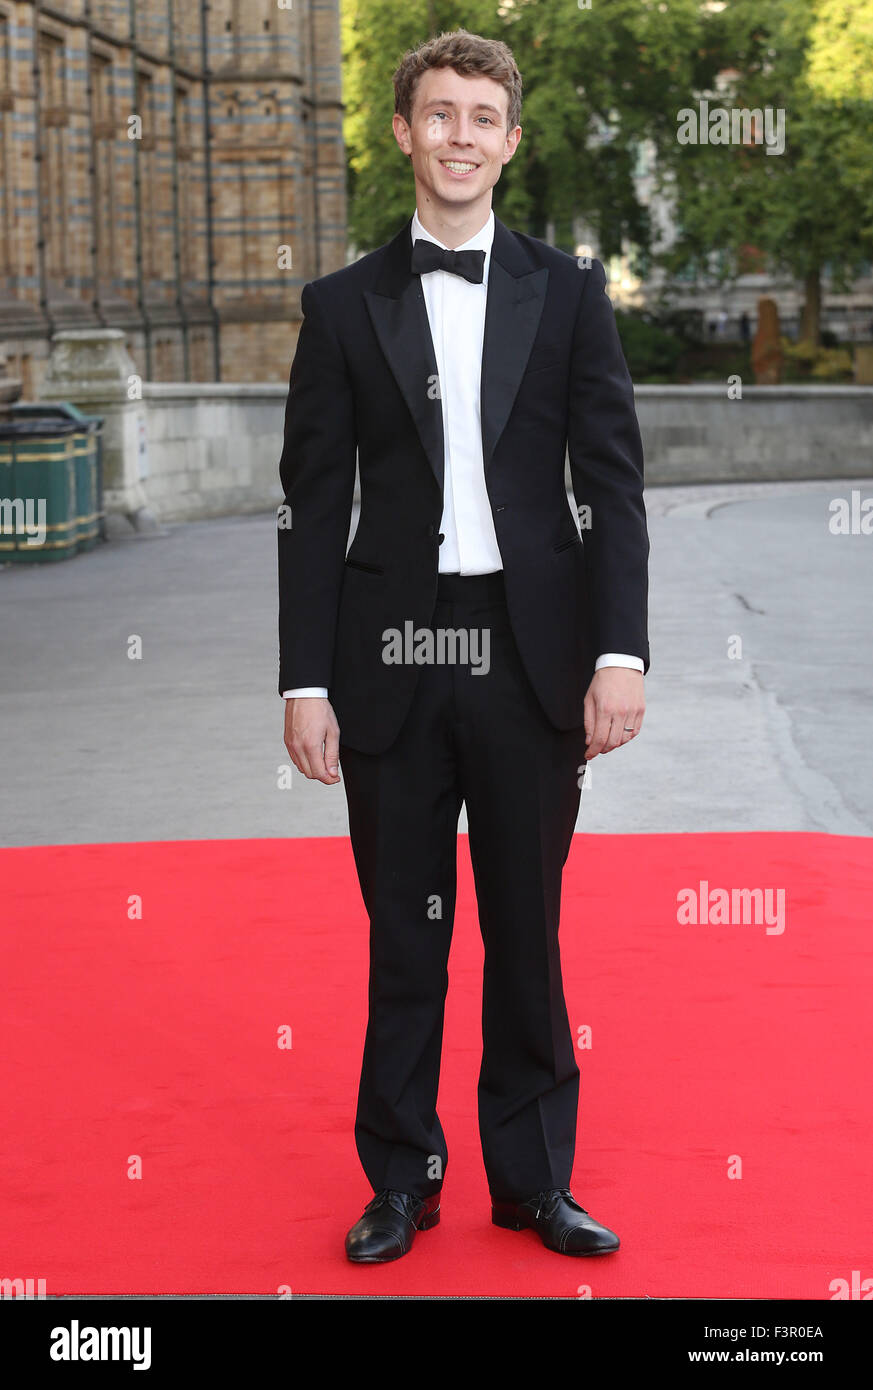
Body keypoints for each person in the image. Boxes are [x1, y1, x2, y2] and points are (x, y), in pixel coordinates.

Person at [277, 28, 650, 1263]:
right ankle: (402, 1178)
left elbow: (613, 482)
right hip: (386, 651)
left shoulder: (572, 292)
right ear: (404, 132)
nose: (459, 137)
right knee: (405, 931)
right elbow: (311, 502)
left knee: (527, 929)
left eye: (482, 119)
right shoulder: (338, 308)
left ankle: (536, 1182)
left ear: (510, 141)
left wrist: (621, 652)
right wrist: (305, 677)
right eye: (438, 114)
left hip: (528, 649)